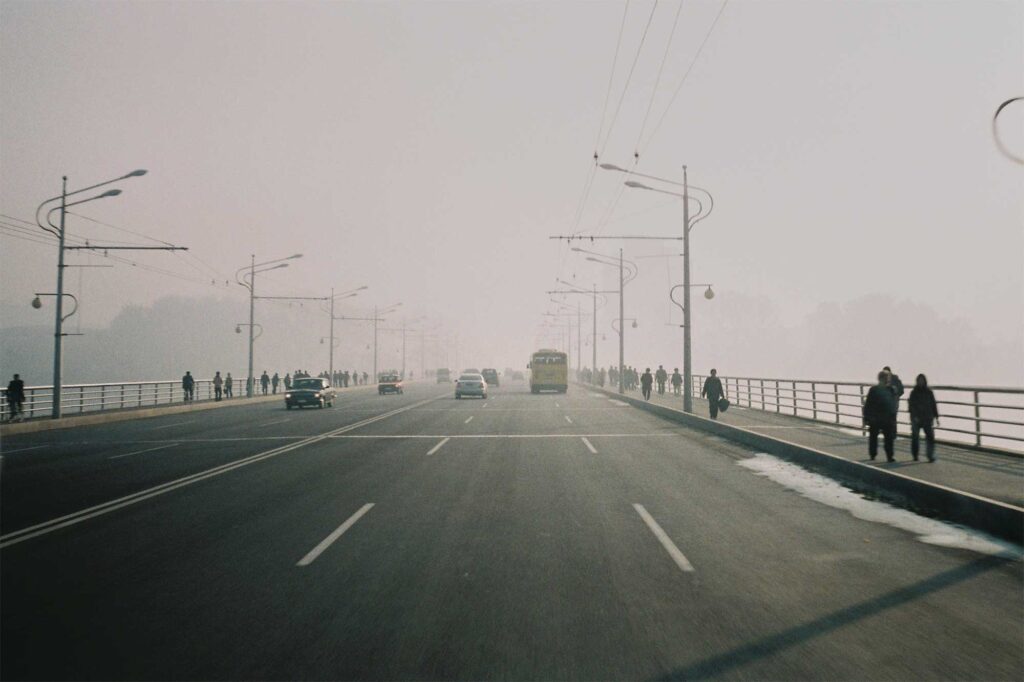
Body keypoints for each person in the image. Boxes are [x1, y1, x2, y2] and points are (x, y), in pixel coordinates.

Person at [863, 370, 897, 461]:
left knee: (888, 438)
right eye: (886, 378)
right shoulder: (874, 390)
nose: (887, 380)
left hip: (886, 417)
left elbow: (894, 404)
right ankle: (873, 454)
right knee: (874, 437)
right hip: (876, 417)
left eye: (888, 378)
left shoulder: (891, 389)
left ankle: (889, 456)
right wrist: (867, 417)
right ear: (881, 379)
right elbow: (868, 404)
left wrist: (893, 417)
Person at [908, 374, 940, 462]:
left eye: (922, 380)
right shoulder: (914, 393)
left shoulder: (929, 392)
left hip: (927, 418)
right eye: (919, 380)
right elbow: (911, 406)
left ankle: (930, 455)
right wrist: (914, 416)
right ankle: (915, 455)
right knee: (915, 437)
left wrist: (936, 416)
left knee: (930, 437)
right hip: (917, 418)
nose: (921, 382)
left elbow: (933, 404)